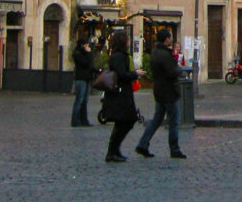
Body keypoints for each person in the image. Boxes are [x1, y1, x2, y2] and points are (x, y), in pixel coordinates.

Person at [134, 29, 185, 159]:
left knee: (157, 119)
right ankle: (174, 149)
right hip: (169, 91)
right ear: (166, 39)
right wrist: (179, 70)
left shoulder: (155, 52)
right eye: (169, 37)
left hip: (159, 90)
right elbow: (171, 72)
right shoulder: (164, 54)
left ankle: (143, 144)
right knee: (174, 120)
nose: (171, 39)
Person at [100, 31, 141, 163]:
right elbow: (121, 74)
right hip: (120, 94)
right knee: (125, 120)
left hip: (123, 93)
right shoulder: (118, 56)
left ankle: (114, 150)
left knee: (124, 122)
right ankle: (112, 151)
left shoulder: (120, 55)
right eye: (127, 39)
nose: (129, 41)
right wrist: (135, 74)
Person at [71, 36, 96, 127]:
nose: (88, 47)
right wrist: (89, 53)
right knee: (79, 99)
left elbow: (90, 65)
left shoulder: (85, 53)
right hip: (80, 79)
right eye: (86, 45)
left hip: (87, 78)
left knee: (85, 100)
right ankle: (75, 121)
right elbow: (85, 63)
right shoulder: (77, 54)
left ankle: (84, 120)